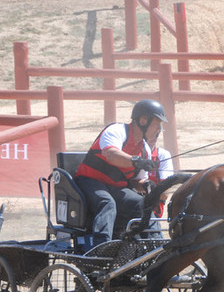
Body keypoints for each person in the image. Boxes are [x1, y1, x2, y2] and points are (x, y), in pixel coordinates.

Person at [74, 99, 173, 247]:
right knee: (107, 203)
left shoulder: (144, 148)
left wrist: (146, 184)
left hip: (115, 188)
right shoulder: (117, 130)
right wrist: (137, 161)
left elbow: (137, 182)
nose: (159, 129)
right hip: (89, 181)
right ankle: (102, 246)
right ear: (143, 120)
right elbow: (111, 154)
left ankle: (156, 246)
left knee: (143, 204)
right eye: (157, 124)